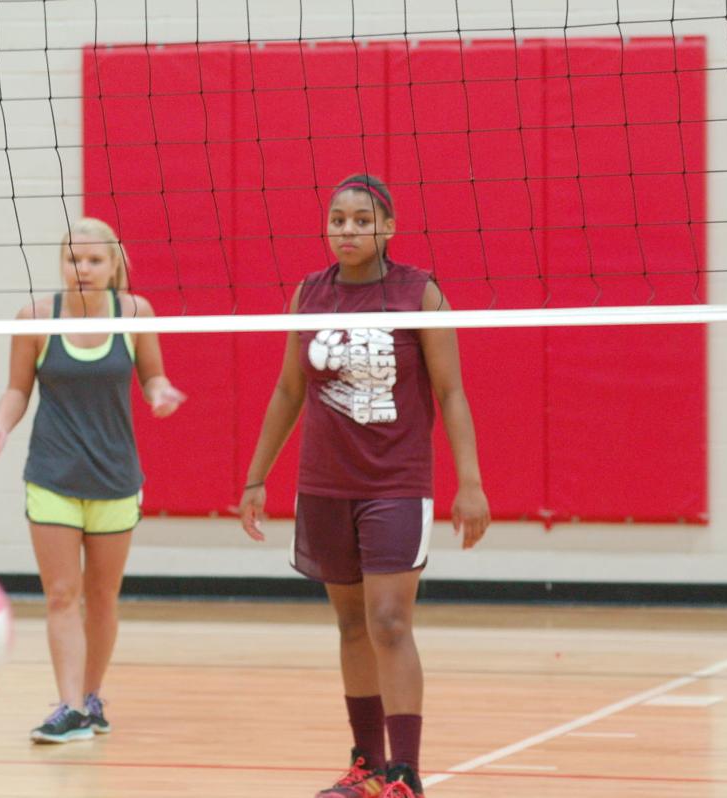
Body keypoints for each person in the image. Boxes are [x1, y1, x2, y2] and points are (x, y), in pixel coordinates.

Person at [237, 175, 491, 798]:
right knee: (351, 626)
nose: (347, 230)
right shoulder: (310, 292)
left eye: (361, 220)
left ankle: (405, 772)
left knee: (390, 622)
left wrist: (472, 483)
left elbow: (451, 392)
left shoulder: (418, 291)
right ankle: (367, 766)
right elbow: (288, 390)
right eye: (338, 220)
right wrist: (255, 477)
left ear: (388, 228)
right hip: (325, 483)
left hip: (397, 482)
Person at [0, 217, 186, 743]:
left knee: (102, 596)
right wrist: (0, 425)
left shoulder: (135, 312)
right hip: (52, 474)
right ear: (61, 263)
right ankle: (68, 706)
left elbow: (152, 374)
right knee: (62, 594)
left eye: (94, 260)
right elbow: (17, 389)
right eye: (74, 259)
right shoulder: (36, 318)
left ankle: (90, 698)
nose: (83, 269)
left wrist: (159, 392)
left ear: (114, 265)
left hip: (115, 476)